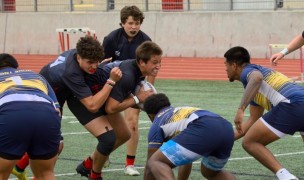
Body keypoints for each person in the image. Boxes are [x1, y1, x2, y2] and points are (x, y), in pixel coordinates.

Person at [10, 35, 122, 180]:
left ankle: (19, 167)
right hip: (45, 98)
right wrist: (111, 81)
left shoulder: (80, 53)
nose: (94, 66)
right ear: (79, 58)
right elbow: (92, 106)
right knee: (56, 145)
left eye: (97, 62)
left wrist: (97, 66)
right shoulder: (71, 72)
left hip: (61, 92)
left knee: (106, 138)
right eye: (90, 62)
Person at [74, 41, 162, 180]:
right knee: (109, 139)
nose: (158, 66)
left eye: (159, 62)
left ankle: (88, 163)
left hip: (104, 95)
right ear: (142, 62)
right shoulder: (128, 75)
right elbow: (111, 108)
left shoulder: (137, 70)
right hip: (88, 97)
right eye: (154, 62)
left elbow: (121, 96)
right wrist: (138, 99)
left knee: (124, 134)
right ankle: (95, 175)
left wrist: (138, 101)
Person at [224, 46, 304, 179]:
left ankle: (286, 177)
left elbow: (256, 78)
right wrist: (223, 140)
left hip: (291, 104)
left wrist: (241, 109)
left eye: (225, 65)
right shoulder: (253, 90)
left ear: (233, 65)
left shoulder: (248, 72)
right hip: (299, 101)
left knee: (250, 142)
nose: (225, 69)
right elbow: (252, 121)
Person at [102, 5, 152, 176]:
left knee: (132, 123)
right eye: (130, 23)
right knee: (107, 124)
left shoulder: (146, 42)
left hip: (135, 85)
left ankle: (129, 164)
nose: (134, 27)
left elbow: (152, 68)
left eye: (137, 23)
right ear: (123, 23)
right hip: (113, 83)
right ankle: (103, 153)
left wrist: (148, 89)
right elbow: (102, 65)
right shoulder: (111, 39)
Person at [142, 93, 236, 180]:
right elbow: (186, 159)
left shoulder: (157, 124)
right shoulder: (179, 111)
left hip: (204, 126)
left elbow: (150, 166)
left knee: (155, 161)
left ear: (150, 116)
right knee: (210, 172)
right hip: (227, 128)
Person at [0, 53, 61, 180]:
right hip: (46, 115)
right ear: (16, 67)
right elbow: (57, 110)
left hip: (12, 113)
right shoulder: (36, 76)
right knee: (45, 173)